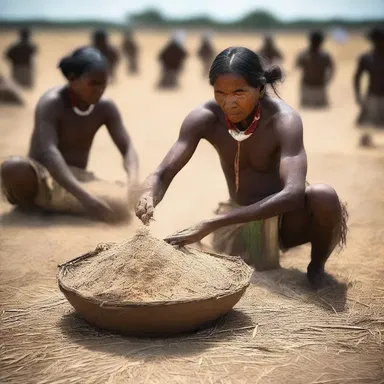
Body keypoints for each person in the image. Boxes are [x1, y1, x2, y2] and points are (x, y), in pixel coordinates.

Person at [136, 47, 348, 289]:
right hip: (238, 223)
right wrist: (148, 193)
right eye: (220, 93)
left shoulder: (283, 120)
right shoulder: (205, 117)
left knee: (324, 196)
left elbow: (293, 194)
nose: (229, 102)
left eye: (239, 92)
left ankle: (316, 267)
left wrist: (213, 223)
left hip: (285, 221)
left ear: (259, 89)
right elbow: (163, 172)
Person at [1, 47, 139, 222]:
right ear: (72, 79)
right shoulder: (52, 103)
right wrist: (85, 198)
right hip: (43, 179)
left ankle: (65, 205)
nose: (100, 89)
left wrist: (133, 180)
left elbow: (127, 147)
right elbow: (50, 153)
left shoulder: (106, 107)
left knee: (121, 208)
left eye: (104, 83)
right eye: (93, 83)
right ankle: (33, 211)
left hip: (79, 179)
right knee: (14, 168)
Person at [354, 26, 384, 128]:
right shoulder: (366, 58)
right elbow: (357, 77)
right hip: (372, 96)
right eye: (377, 40)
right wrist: (358, 95)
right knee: (366, 124)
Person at [295, 31, 335, 108]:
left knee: (321, 110)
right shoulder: (303, 55)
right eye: (314, 41)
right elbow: (297, 66)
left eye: (317, 41)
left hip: (320, 87)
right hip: (307, 88)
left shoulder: (325, 56)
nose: (315, 43)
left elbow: (332, 69)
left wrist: (328, 80)